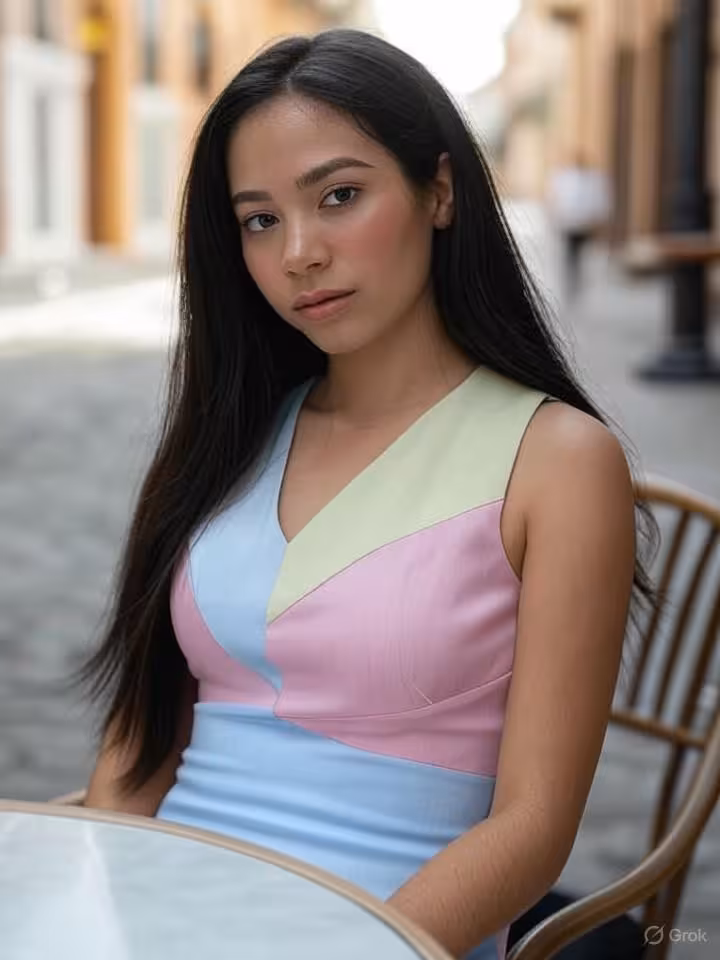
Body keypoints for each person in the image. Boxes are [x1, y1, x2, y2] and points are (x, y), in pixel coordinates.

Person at [80, 29, 649, 960]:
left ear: (439, 190)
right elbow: (136, 748)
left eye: (338, 197)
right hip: (166, 916)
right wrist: (111, 912)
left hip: (396, 934)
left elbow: (533, 828)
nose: (299, 252)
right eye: (259, 219)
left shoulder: (556, 462)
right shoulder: (230, 433)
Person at [547, 152, 612, 300]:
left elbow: (599, 200)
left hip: (585, 224)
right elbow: (555, 199)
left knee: (582, 254)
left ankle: (578, 282)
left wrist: (598, 220)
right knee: (571, 254)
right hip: (570, 223)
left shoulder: (593, 179)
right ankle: (571, 282)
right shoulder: (564, 178)